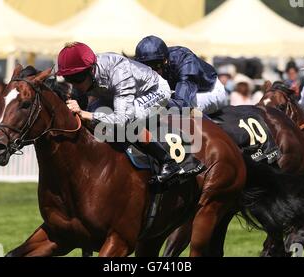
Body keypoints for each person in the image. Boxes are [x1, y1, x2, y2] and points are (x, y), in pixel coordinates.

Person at [57, 42, 201, 184]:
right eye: (69, 79)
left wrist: (86, 114)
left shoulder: (119, 72)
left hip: (154, 90)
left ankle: (168, 161)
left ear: (91, 70)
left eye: (77, 79)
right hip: (115, 93)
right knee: (96, 114)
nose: (75, 85)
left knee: (130, 121)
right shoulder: (85, 76)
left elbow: (122, 119)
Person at [134, 35, 227, 115]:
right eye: (146, 67)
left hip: (208, 92)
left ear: (165, 61)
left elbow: (182, 104)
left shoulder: (185, 61)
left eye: (156, 66)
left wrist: (152, 101)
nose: (152, 72)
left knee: (179, 110)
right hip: (175, 92)